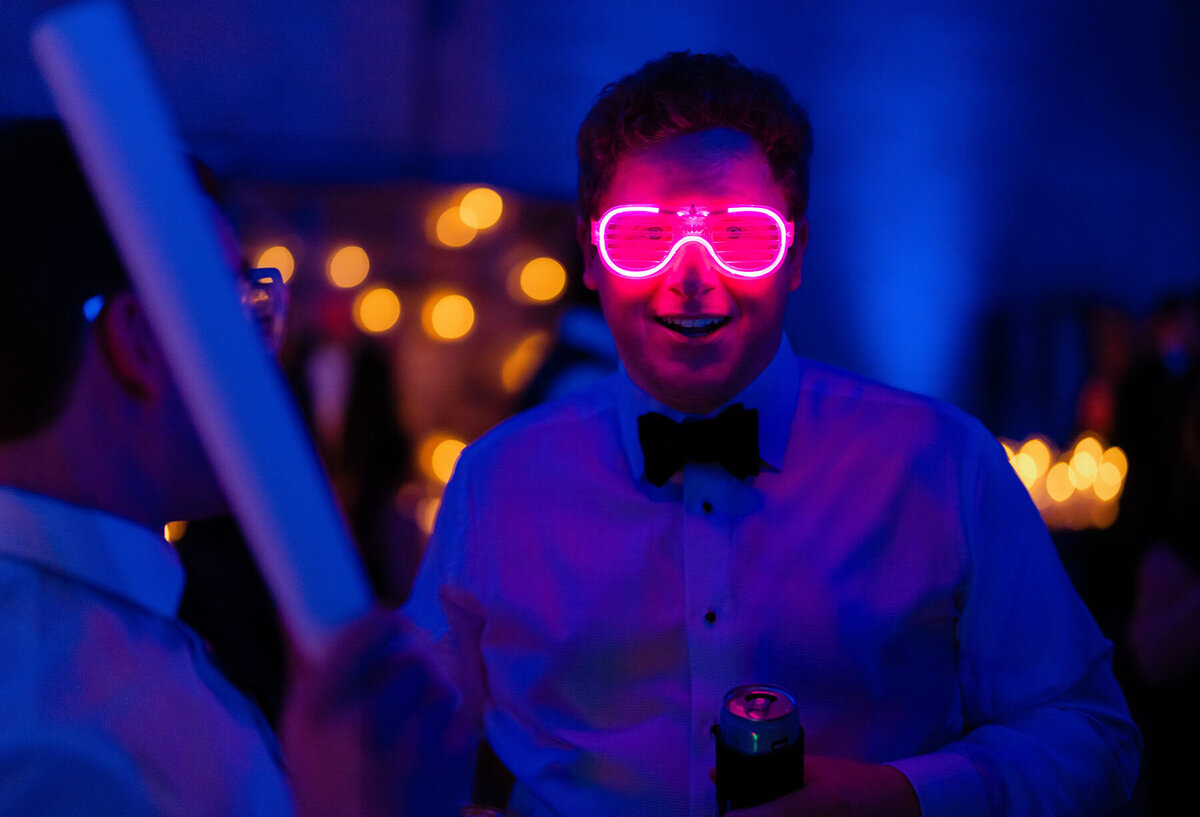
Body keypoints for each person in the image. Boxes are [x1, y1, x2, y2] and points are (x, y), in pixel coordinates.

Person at [405, 52, 1142, 817]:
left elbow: (1093, 735)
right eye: (645, 236)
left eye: (740, 235)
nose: (691, 275)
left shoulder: (944, 464)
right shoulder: (497, 482)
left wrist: (899, 797)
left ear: (794, 255)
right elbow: (405, 751)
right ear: (592, 258)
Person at [0, 118, 465, 817]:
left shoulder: (107, 619)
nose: (264, 356)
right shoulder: (59, 739)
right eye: (239, 308)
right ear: (140, 343)